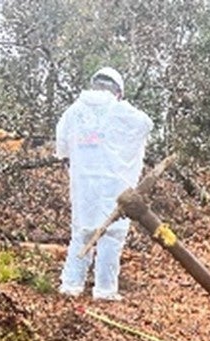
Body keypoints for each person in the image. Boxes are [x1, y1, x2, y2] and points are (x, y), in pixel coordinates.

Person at [56, 67, 153, 301]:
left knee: (81, 232)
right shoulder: (119, 109)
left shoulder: (74, 111)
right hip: (113, 186)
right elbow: (145, 125)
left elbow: (62, 145)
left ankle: (71, 285)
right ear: (117, 91)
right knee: (112, 234)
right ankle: (105, 290)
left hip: (84, 185)